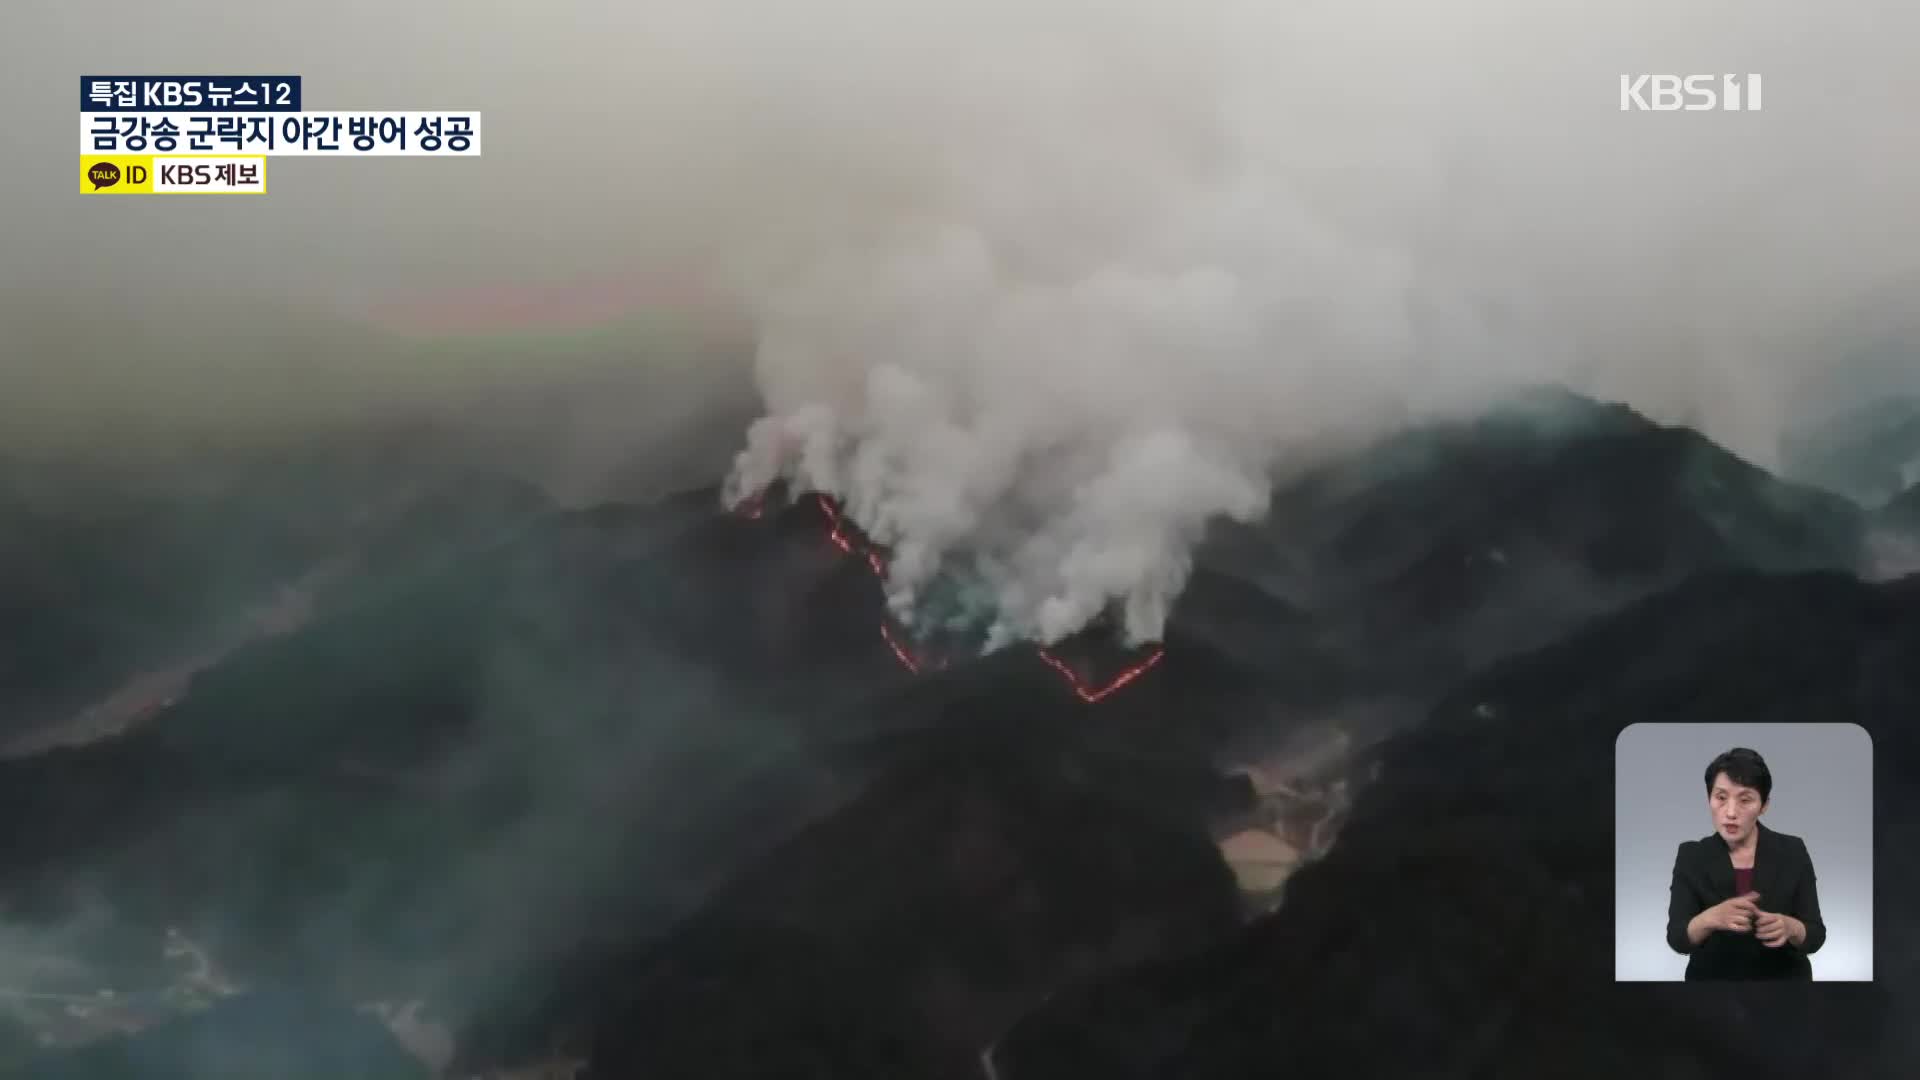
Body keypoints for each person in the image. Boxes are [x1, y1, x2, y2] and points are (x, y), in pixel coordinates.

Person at [1665, 747, 1827, 979]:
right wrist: (1710, 918)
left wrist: (1791, 927)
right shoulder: (1692, 855)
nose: (1730, 812)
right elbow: (1677, 939)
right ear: (1709, 798)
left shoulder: (1793, 851)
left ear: (1764, 805)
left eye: (1745, 800)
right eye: (1720, 797)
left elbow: (1816, 935)